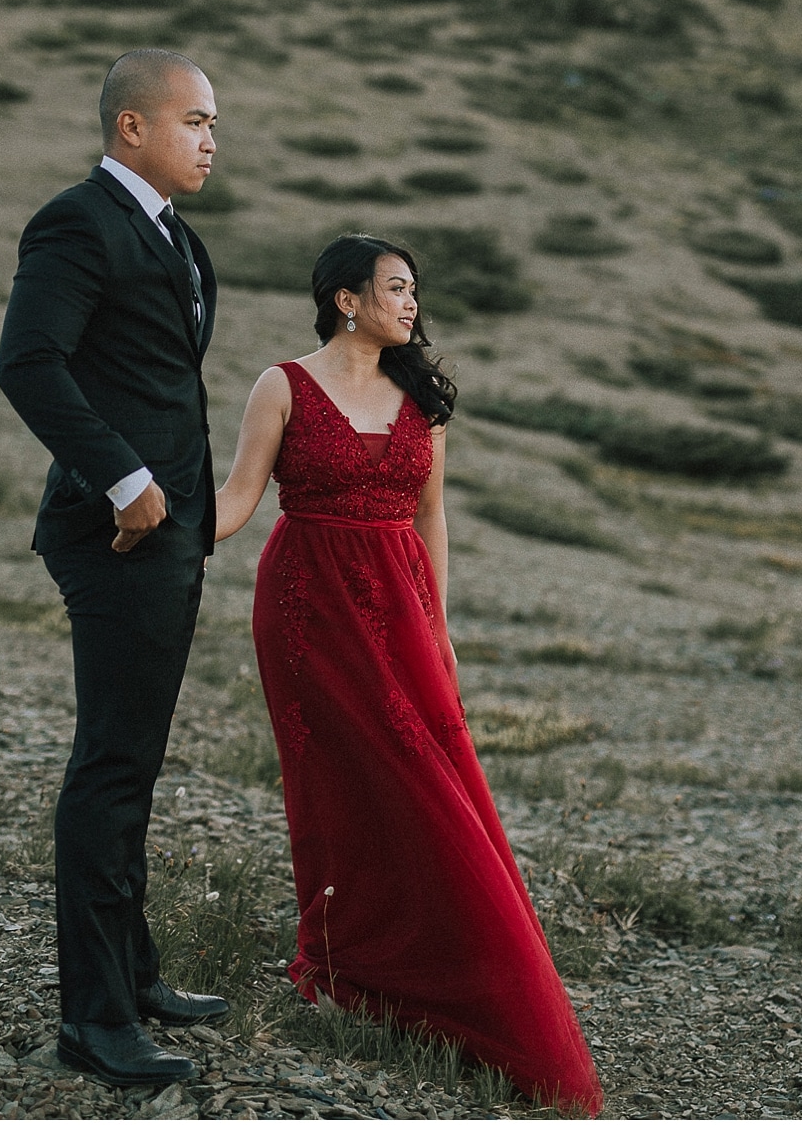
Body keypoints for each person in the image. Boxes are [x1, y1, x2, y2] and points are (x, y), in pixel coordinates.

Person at [211, 234, 605, 1116]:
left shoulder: (418, 399)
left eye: (415, 291)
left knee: (434, 785)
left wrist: (441, 626)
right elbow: (237, 499)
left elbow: (432, 520)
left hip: (401, 612)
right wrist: (162, 525)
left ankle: (448, 973)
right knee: (335, 786)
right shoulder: (282, 385)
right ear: (345, 299)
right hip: (307, 608)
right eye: (396, 288)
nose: (412, 303)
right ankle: (345, 963)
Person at [0, 49, 230, 1088]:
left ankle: (130, 975)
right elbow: (28, 361)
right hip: (115, 530)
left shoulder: (178, 238)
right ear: (129, 126)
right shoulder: (74, 222)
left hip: (170, 534)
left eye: (215, 123)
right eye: (192, 121)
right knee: (108, 765)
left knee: (134, 761)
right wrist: (124, 482)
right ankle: (92, 1022)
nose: (211, 139)